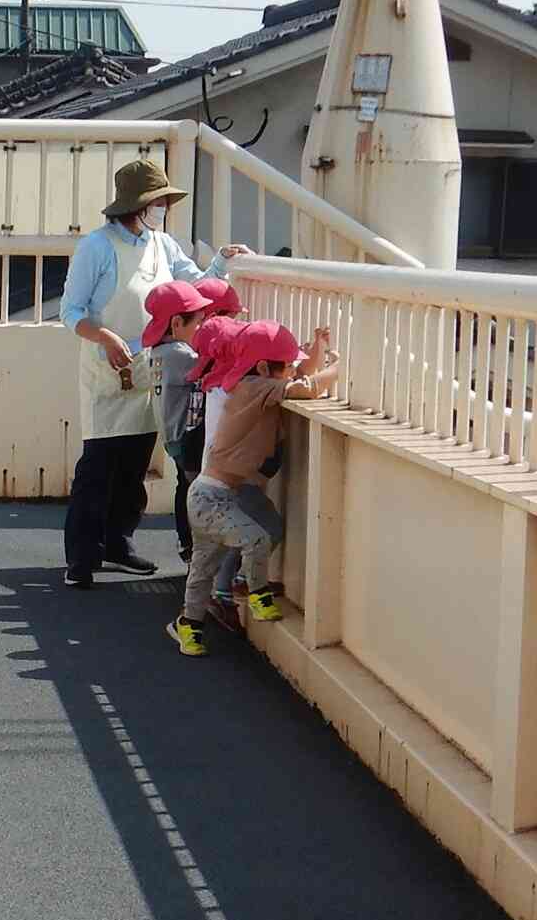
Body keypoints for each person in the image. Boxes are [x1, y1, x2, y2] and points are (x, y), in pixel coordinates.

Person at [57, 158, 249, 588]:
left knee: (135, 462)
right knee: (98, 464)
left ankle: (119, 542)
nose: (164, 206)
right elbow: (71, 312)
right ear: (139, 205)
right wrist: (105, 338)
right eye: (159, 200)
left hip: (150, 367)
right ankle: (82, 557)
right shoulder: (97, 246)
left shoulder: (163, 244)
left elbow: (195, 286)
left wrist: (221, 262)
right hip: (107, 366)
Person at [173, 319, 340, 657]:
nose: (288, 371)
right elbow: (305, 387)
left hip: (210, 494)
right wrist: (339, 367)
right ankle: (256, 593)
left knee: (204, 568)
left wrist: (317, 352)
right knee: (256, 537)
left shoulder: (252, 382)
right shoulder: (255, 387)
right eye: (283, 367)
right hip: (213, 496)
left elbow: (294, 375)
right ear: (264, 367)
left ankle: (189, 626)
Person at [139, 278, 236, 563]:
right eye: (198, 323)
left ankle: (188, 545)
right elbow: (216, 366)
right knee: (199, 495)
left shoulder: (159, 352)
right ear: (176, 324)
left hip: (174, 437)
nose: (202, 329)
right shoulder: (179, 355)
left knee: (186, 487)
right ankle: (200, 552)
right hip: (188, 438)